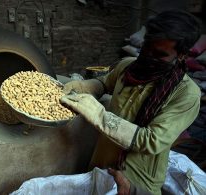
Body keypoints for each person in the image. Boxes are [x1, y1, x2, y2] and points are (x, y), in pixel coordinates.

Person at [60, 9, 201, 195]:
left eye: (159, 54)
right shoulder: (128, 66)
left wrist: (99, 115)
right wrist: (83, 86)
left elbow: (151, 140)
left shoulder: (186, 94)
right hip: (100, 164)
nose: (148, 56)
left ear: (181, 55)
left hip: (135, 182)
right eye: (146, 47)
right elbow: (104, 83)